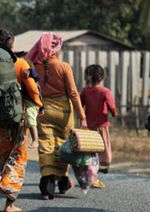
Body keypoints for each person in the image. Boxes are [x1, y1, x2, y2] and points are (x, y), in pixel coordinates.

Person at [0, 29, 42, 212]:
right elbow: (32, 89)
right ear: (11, 44)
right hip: (17, 120)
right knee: (16, 157)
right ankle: (9, 203)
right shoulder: (21, 64)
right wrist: (39, 105)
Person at [26, 32, 87, 200]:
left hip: (43, 110)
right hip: (63, 113)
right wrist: (82, 116)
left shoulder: (35, 66)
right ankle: (62, 182)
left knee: (46, 145)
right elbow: (73, 93)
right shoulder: (63, 66)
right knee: (62, 145)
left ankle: (47, 185)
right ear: (57, 49)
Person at [80, 65, 117, 189]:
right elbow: (112, 107)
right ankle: (94, 177)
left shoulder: (85, 91)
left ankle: (90, 174)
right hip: (101, 127)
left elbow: (80, 105)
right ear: (102, 77)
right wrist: (114, 113)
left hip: (89, 129)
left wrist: (82, 119)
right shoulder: (105, 91)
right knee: (103, 152)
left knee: (91, 152)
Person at [15, 51, 44, 149]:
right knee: (23, 121)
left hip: (32, 102)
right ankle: (22, 137)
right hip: (28, 102)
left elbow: (36, 75)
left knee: (30, 120)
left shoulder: (32, 74)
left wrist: (29, 71)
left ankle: (35, 140)